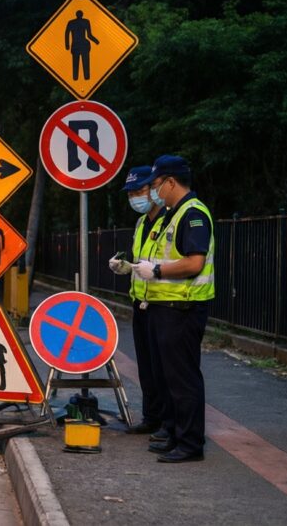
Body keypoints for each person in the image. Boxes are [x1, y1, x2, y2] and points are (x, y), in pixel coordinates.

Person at [133, 155, 215, 463]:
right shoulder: (172, 214)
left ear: (170, 182)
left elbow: (194, 262)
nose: (154, 191)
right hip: (164, 307)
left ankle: (190, 444)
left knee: (183, 379)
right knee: (167, 377)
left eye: (155, 185)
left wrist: (156, 271)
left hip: (183, 307)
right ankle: (175, 434)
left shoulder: (193, 213)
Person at [108, 166, 168, 439]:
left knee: (164, 367)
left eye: (139, 191)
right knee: (146, 365)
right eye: (130, 193)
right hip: (141, 302)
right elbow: (140, 260)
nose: (135, 197)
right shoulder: (142, 222)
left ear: (154, 189)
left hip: (165, 302)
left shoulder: (170, 219)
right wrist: (125, 267)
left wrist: (154, 271)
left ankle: (168, 423)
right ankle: (151, 418)